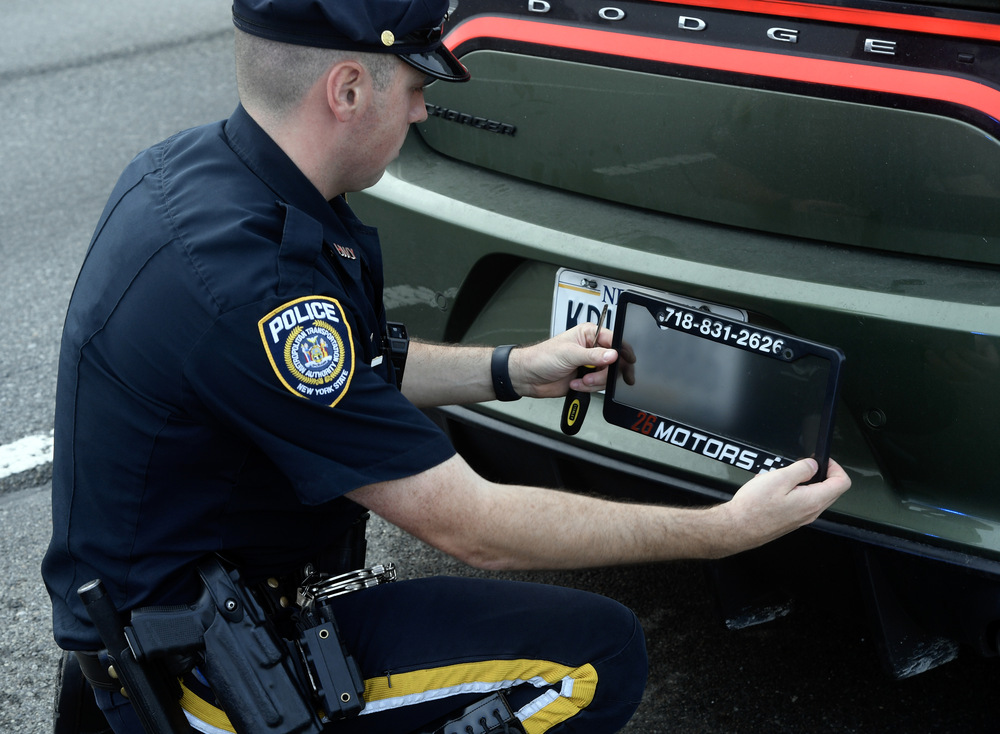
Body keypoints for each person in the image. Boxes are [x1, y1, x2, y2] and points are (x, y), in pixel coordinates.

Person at [42, 1, 852, 732]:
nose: (425, 108)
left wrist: (515, 369)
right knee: (592, 659)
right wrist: (723, 533)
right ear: (348, 89)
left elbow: (351, 370)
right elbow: (474, 529)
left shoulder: (197, 175)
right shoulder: (257, 287)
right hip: (200, 675)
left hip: (179, 613)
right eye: (415, 84)